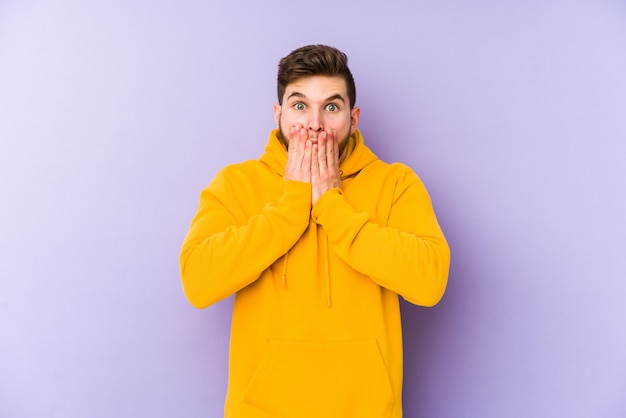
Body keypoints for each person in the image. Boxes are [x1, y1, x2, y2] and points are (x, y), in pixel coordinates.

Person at [179, 44, 450, 418]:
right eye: (300, 105)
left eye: (332, 107)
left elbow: (429, 281)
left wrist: (331, 207)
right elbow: (198, 281)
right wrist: (291, 205)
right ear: (278, 113)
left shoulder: (395, 184)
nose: (315, 123)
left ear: (354, 118)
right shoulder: (236, 184)